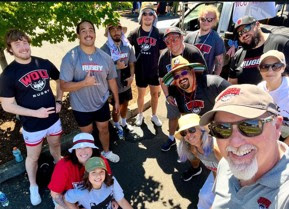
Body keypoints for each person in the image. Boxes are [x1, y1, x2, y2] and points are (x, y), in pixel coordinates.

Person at [200, 84, 289, 208]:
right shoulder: (226, 163)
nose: (235, 143)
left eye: (250, 126)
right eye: (222, 128)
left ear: (277, 126)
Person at [0, 29, 63, 206]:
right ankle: (33, 186)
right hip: (33, 126)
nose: (23, 47)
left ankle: (61, 170)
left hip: (53, 120)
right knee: (33, 157)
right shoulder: (8, 75)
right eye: (17, 44)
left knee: (56, 146)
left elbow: (60, 80)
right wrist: (36, 113)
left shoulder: (43, 63)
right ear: (10, 49)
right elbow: (7, 105)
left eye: (25, 42)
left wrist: (59, 100)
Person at [59, 20, 120, 163]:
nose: (88, 34)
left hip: (101, 103)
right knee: (87, 135)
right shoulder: (70, 57)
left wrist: (116, 100)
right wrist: (84, 83)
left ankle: (106, 152)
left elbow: (111, 80)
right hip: (81, 107)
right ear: (78, 35)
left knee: (104, 129)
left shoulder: (105, 57)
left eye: (91, 30)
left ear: (95, 33)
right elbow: (63, 86)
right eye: (83, 31)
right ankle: (91, 159)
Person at [162, 55, 230, 181]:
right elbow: (184, 115)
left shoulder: (214, 83)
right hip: (198, 129)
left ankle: (226, 176)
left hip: (221, 128)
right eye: (177, 77)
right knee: (187, 147)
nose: (181, 78)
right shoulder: (179, 93)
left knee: (218, 154)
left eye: (183, 73)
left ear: (192, 72)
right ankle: (196, 168)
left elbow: (236, 101)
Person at [158, 26, 206, 152]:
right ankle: (171, 138)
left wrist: (199, 94)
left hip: (192, 94)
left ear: (182, 38)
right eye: (168, 41)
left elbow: (202, 75)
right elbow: (162, 79)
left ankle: (198, 144)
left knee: (192, 119)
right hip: (174, 94)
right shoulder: (164, 57)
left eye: (175, 39)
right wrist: (167, 96)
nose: (172, 43)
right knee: (173, 117)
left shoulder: (193, 53)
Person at [49, 132, 112, 209]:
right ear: (74, 150)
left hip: (92, 193)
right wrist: (72, 207)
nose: (83, 151)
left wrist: (112, 199)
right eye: (79, 148)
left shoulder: (100, 161)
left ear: (93, 148)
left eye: (87, 147)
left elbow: (108, 181)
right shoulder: (63, 166)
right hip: (68, 199)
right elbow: (55, 194)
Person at [127, 4, 166, 127]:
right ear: (141, 16)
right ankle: (140, 114)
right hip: (141, 70)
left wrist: (163, 71)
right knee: (141, 95)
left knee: (155, 94)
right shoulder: (134, 33)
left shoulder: (159, 34)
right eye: (145, 13)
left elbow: (162, 54)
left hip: (154, 71)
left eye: (150, 14)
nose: (147, 16)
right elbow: (125, 49)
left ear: (154, 17)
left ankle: (154, 115)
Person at [175, 113, 221, 209]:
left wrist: (219, 198)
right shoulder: (194, 149)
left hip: (233, 177)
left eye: (191, 130)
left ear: (201, 129)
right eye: (184, 133)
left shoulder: (216, 148)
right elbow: (215, 169)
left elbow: (232, 174)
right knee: (203, 196)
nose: (188, 135)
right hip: (218, 173)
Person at [229, 15, 289, 85]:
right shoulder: (238, 55)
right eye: (240, 33)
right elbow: (232, 86)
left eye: (246, 29)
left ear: (257, 25)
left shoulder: (282, 44)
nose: (243, 35)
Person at [101, 22, 136, 139]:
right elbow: (101, 69)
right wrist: (116, 67)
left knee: (125, 104)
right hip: (112, 86)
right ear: (109, 33)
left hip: (126, 84)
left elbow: (131, 64)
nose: (116, 32)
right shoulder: (104, 49)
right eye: (113, 29)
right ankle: (116, 125)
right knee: (116, 108)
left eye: (118, 29)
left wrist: (132, 77)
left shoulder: (127, 46)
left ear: (122, 31)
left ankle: (124, 123)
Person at [64, 157, 133, 209]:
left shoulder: (111, 180)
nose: (98, 176)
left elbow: (121, 201)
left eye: (101, 171)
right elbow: (66, 199)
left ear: (106, 172)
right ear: (87, 175)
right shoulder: (81, 191)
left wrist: (113, 199)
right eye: (93, 172)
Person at [257, 50, 289, 144]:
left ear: (283, 68)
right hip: (271, 132)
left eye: (276, 66)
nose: (270, 70)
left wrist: (283, 149)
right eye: (264, 67)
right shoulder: (260, 89)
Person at [184, 5, 225, 75]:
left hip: (205, 79)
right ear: (199, 19)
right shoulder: (189, 37)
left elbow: (219, 63)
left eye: (209, 20)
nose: (206, 22)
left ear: (214, 21)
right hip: (189, 77)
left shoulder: (217, 39)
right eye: (203, 19)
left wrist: (214, 79)